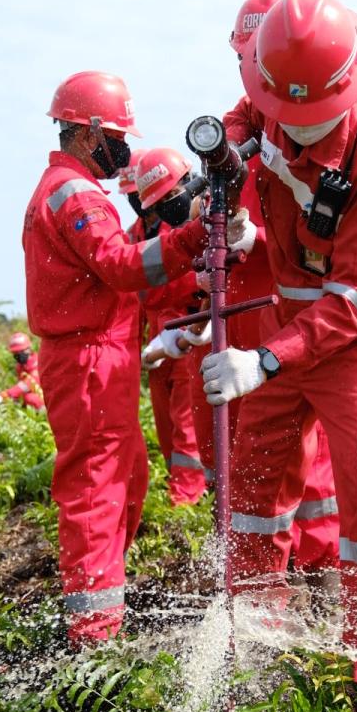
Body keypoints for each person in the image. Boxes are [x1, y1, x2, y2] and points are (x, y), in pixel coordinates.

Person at [202, 0, 357, 712]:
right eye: (270, 106)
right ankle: (260, 638)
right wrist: (222, 184)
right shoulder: (266, 104)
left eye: (308, 117)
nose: (285, 126)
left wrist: (265, 359)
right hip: (277, 325)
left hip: (352, 338)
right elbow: (238, 122)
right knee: (256, 491)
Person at [22, 71, 209, 648]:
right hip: (87, 360)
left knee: (128, 476)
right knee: (98, 488)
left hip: (104, 356)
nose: (124, 149)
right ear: (91, 132)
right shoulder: (73, 193)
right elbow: (121, 266)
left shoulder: (72, 190)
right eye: (119, 136)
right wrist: (195, 237)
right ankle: (94, 634)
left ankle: (107, 597)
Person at [220, 0, 342, 593]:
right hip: (256, 294)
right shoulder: (249, 112)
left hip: (297, 292)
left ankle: (319, 566)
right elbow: (233, 137)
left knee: (307, 441)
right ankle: (271, 581)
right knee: (264, 445)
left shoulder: (316, 112)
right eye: (243, 58)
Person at [133, 147, 207, 506]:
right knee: (167, 426)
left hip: (188, 334)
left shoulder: (186, 228)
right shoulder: (136, 234)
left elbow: (193, 286)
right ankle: (180, 490)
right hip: (158, 340)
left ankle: (187, 497)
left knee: (187, 425)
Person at [0, 332, 45, 411]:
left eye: (20, 352)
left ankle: (45, 415)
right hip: (32, 396)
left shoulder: (37, 363)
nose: (18, 356)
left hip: (46, 396)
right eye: (15, 353)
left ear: (28, 349)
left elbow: (26, 385)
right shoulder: (20, 366)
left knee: (30, 398)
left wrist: (3, 396)